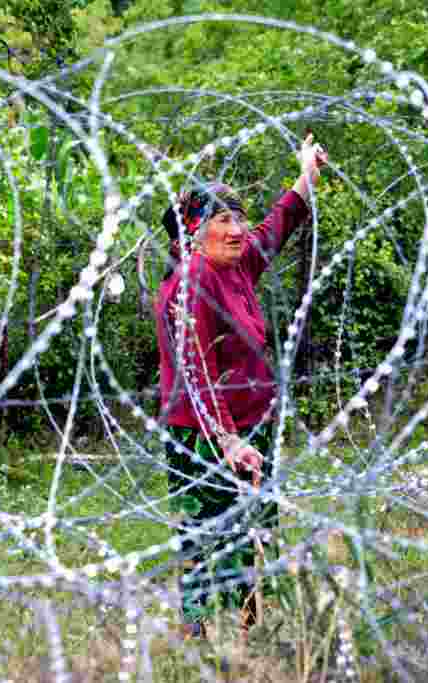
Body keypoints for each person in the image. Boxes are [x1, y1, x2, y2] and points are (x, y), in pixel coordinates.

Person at [155, 134, 329, 636]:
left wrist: (305, 176)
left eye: (238, 218)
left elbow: (276, 228)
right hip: (204, 436)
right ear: (192, 233)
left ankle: (246, 641)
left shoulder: (234, 266)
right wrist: (227, 440)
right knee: (211, 539)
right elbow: (197, 373)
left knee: (252, 534)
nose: (239, 229)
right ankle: (201, 645)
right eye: (223, 220)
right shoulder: (192, 285)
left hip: (249, 428)